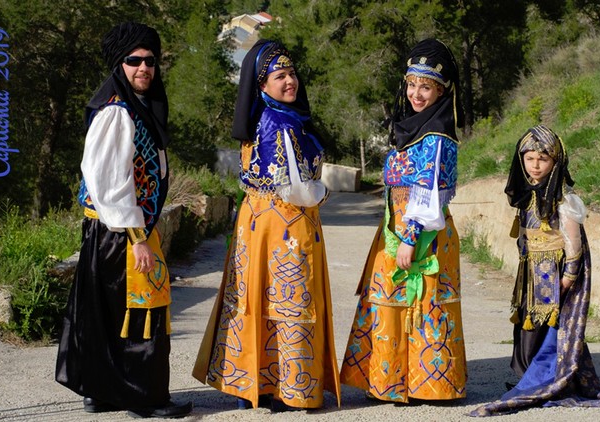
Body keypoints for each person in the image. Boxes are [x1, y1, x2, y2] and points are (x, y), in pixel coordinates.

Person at [192, 39, 341, 412]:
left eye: (291, 73)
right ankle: (291, 389)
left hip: (256, 224)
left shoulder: (267, 117)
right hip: (286, 225)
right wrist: (323, 193)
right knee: (290, 301)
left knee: (253, 299)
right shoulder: (280, 123)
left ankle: (252, 382)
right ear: (262, 86)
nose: (289, 81)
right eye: (279, 76)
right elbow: (296, 188)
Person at [55, 22, 192, 419]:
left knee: (110, 315)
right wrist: (138, 237)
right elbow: (108, 182)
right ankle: (144, 398)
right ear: (120, 63)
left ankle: (104, 391)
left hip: (117, 231)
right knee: (142, 311)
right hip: (121, 231)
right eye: (134, 61)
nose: (144, 68)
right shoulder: (116, 112)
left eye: (150, 61)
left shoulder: (135, 107)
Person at [469, 125, 600, 416]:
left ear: (556, 161)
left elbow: (574, 245)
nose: (535, 165)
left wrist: (568, 277)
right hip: (531, 276)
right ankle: (528, 376)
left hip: (554, 275)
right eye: (529, 158)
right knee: (527, 328)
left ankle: (546, 379)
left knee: (550, 330)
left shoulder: (565, 201)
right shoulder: (528, 196)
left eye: (543, 159)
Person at [339, 38, 467, 404]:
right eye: (412, 84)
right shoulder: (408, 130)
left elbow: (430, 194)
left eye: (425, 87)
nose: (416, 93)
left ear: (441, 91)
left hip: (423, 234)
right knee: (387, 300)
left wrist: (410, 238)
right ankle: (390, 380)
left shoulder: (437, 137)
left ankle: (429, 385)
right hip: (393, 229)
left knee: (424, 303)